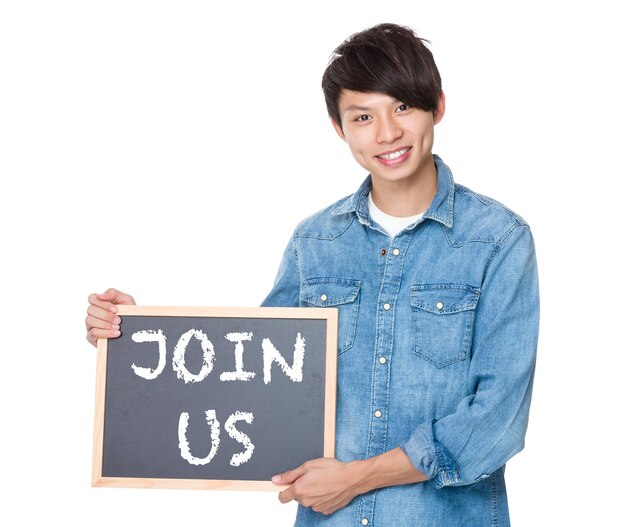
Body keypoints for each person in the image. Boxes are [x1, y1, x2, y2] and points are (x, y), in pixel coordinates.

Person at [86, 23, 539, 526]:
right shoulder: (315, 244)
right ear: (339, 128)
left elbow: (496, 421)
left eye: (403, 107)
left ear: (437, 105)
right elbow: (251, 375)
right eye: (363, 116)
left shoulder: (498, 240)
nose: (387, 133)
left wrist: (358, 477)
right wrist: (134, 339)